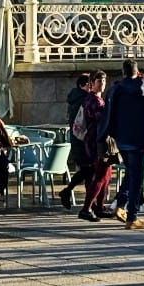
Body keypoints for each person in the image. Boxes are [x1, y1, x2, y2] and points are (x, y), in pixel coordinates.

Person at [103, 58, 144, 228]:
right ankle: (132, 216)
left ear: (123, 73)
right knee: (137, 178)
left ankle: (120, 205)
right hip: (139, 142)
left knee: (131, 174)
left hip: (122, 141)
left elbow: (108, 114)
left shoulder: (116, 90)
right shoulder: (142, 90)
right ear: (137, 72)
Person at [78, 70, 111, 222]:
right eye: (99, 81)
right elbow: (100, 120)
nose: (102, 84)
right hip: (96, 142)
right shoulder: (93, 101)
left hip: (99, 141)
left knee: (106, 175)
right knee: (101, 175)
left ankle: (99, 206)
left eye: (104, 81)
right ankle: (87, 208)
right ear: (91, 83)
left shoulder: (98, 99)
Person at [59, 73, 91, 209]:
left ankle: (89, 202)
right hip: (82, 140)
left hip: (78, 139)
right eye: (89, 84)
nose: (92, 87)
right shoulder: (82, 100)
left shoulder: (76, 97)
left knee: (88, 171)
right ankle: (68, 192)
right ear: (82, 85)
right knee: (88, 170)